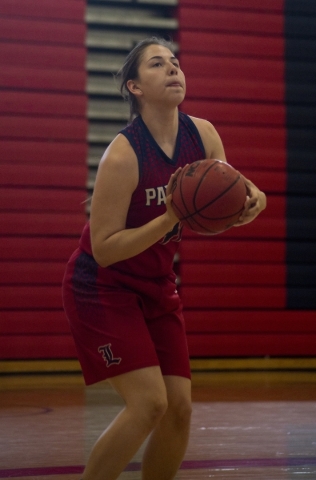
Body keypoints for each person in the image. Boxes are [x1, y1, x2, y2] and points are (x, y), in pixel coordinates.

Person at [62, 36, 266, 480]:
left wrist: (255, 202)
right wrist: (169, 218)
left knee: (179, 410)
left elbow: (229, 200)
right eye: (158, 64)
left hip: (156, 284)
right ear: (135, 87)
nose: (173, 68)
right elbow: (106, 248)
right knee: (149, 403)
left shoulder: (203, 133)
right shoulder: (123, 153)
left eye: (175, 62)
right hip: (102, 286)